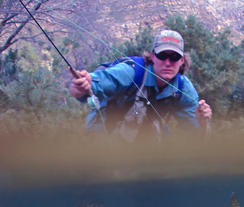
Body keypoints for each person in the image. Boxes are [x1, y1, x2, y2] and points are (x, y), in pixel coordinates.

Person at [69, 30, 212, 143]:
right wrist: (81, 85)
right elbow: (87, 86)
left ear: (182, 61)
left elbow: (199, 137)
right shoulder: (130, 72)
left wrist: (203, 123)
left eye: (174, 57)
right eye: (162, 55)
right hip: (104, 133)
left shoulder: (183, 87)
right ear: (153, 56)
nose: (168, 62)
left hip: (142, 137)